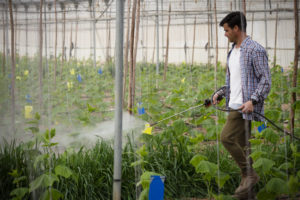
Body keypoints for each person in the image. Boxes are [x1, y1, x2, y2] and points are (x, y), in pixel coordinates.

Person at [213, 12, 271, 198]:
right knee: (244, 146)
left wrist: (253, 100)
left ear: (236, 28)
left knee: (227, 137)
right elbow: (234, 81)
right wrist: (221, 93)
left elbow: (266, 80)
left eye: (227, 30)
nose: (225, 34)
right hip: (234, 104)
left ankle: (249, 174)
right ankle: (248, 194)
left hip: (244, 106)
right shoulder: (233, 51)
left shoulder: (255, 49)